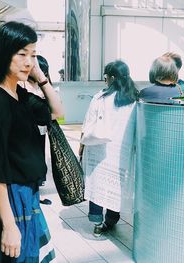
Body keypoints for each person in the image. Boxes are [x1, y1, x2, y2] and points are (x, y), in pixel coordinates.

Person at [0, 21, 64, 262]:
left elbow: (57, 112)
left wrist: (42, 78)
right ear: (3, 54)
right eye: (22, 54)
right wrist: (8, 225)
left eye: (33, 55)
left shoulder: (18, 93)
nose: (28, 62)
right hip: (8, 198)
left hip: (24, 195)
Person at [79, 60, 138, 237]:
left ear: (111, 77)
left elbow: (87, 124)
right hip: (122, 153)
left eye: (106, 77)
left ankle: (97, 222)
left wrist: (81, 147)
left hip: (99, 150)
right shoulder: (135, 99)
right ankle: (111, 220)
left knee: (97, 184)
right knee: (116, 188)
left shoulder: (101, 97)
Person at [21, 55, 53, 206]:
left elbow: (57, 111)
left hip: (41, 132)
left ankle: (36, 193)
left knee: (39, 161)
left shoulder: (43, 86)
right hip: (27, 133)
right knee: (31, 162)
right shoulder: (23, 86)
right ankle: (32, 195)